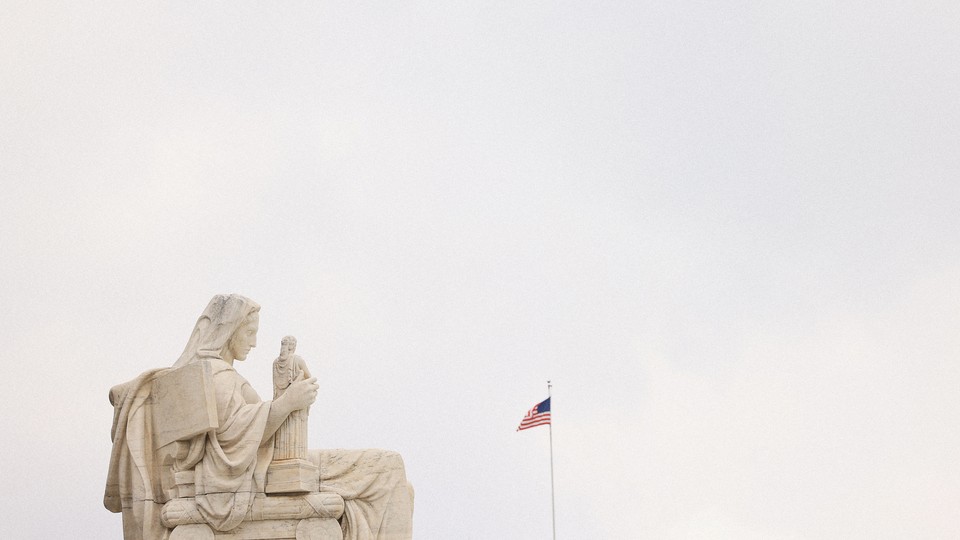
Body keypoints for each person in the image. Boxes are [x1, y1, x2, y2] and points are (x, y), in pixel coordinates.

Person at [105, 294, 414, 540]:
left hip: (263, 467)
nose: (253, 342)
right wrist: (288, 402)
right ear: (228, 332)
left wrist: (285, 394)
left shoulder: (216, 374)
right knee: (386, 469)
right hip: (248, 476)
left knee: (394, 477)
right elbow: (233, 440)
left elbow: (246, 429)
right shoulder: (216, 375)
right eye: (249, 332)